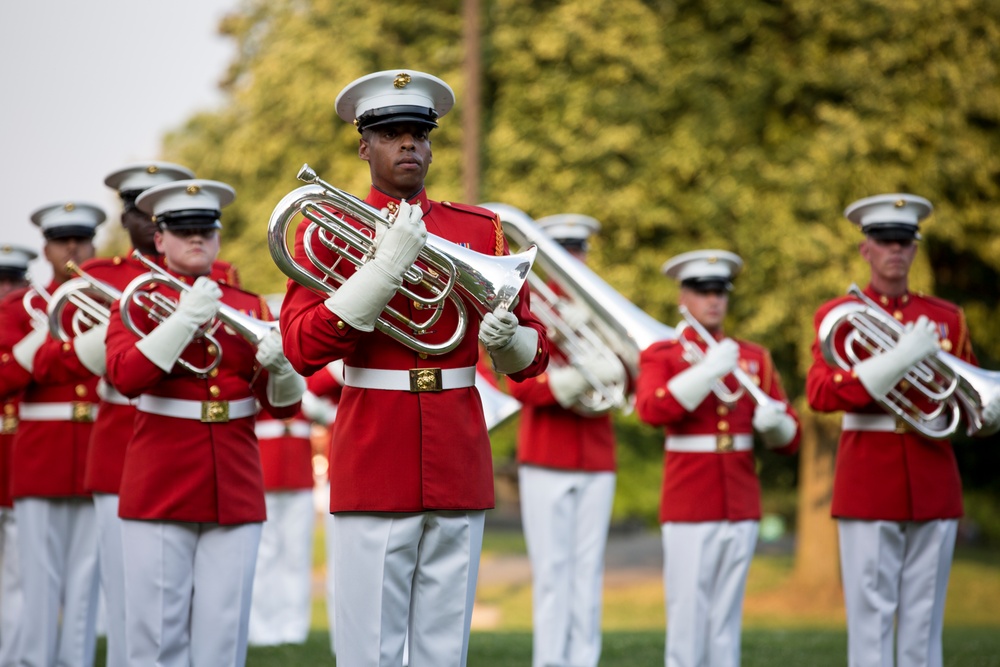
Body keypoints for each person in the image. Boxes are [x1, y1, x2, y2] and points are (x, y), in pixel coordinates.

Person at [278, 69, 550, 666]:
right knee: (369, 649)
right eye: (392, 133)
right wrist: (379, 273)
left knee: (443, 649)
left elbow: (535, 350)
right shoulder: (330, 230)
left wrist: (511, 344)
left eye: (419, 134)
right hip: (375, 449)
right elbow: (300, 348)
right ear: (364, 146)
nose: (409, 145)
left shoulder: (479, 229)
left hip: (457, 450)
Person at [104, 179, 305, 666]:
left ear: (217, 236)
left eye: (205, 230)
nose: (196, 238)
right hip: (161, 479)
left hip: (233, 478)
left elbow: (283, 408)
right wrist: (181, 320)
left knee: (224, 632)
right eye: (183, 230)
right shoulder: (134, 299)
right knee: (156, 637)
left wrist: (282, 369)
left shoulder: (248, 304)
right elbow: (125, 376)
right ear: (160, 239)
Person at [806, 193, 1000, 667]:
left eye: (904, 242)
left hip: (933, 475)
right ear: (865, 249)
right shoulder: (839, 315)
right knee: (870, 624)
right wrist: (899, 359)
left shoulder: (947, 318)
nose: (895, 250)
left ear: (915, 250)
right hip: (867, 475)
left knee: (924, 622)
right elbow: (822, 394)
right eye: (884, 240)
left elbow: (970, 399)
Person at [635, 249, 800, 667]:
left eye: (719, 291)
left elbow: (791, 437)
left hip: (740, 499)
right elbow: (651, 410)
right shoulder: (664, 354)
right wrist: (707, 371)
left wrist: (775, 425)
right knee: (688, 615)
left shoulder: (753, 357)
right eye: (701, 290)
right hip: (691, 498)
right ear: (682, 297)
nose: (713, 299)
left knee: (726, 618)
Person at [76, 160, 198, 667]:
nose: (148, 221)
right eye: (137, 210)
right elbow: (86, 358)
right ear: (125, 218)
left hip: (188, 445)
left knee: (196, 592)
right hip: (122, 440)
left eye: (157, 210)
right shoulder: (99, 277)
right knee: (128, 588)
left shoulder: (216, 276)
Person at [507, 213, 625, 667]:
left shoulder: (603, 307)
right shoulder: (530, 307)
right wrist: (573, 380)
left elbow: (632, 373)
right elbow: (517, 383)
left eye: (579, 252)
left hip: (596, 454)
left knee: (587, 570)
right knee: (552, 572)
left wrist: (613, 367)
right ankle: (550, 660)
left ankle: (584, 659)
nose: (574, 261)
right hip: (546, 452)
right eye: (565, 253)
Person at [0, 203, 105, 667]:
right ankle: (32, 661)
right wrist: (35, 342)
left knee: (86, 578)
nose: (72, 249)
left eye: (80, 240)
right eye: (62, 241)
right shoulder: (23, 307)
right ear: (45, 248)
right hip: (42, 451)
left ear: (93, 245)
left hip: (95, 448)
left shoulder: (111, 300)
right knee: (36, 578)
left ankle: (76, 661)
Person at [247, 298, 317, 648]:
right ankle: (260, 627)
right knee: (264, 553)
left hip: (298, 468)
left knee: (296, 553)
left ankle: (293, 626)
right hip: (265, 464)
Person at [0, 244, 36, 667]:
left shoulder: (29, 317)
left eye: (14, 281)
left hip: (19, 457)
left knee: (18, 575)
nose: (7, 291)